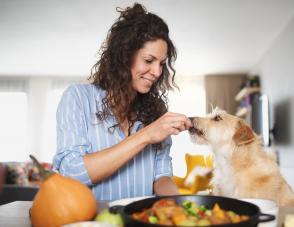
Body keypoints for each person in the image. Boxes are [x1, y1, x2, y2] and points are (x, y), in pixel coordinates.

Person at [52, 3, 192, 201]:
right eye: (149, 60)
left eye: (161, 64)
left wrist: (183, 207)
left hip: (140, 220)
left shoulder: (155, 113)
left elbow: (161, 177)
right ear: (124, 56)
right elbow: (72, 173)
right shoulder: (77, 98)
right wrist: (146, 135)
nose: (157, 72)